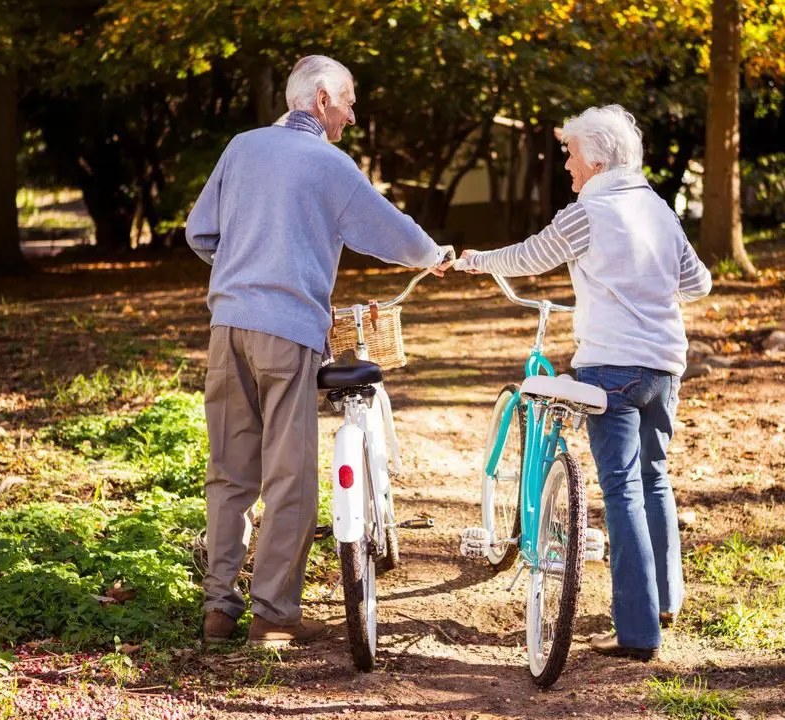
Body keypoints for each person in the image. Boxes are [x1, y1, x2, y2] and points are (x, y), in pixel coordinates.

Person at [186, 55, 451, 647]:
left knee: (229, 471)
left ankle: (218, 607)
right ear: (323, 98)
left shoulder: (240, 148)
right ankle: (273, 615)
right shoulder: (329, 165)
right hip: (288, 333)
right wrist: (432, 254)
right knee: (289, 477)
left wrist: (242, 269)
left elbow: (200, 234)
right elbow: (389, 230)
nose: (352, 116)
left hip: (227, 327)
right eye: (349, 102)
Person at [459, 105, 712, 660]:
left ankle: (639, 634)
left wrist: (477, 260)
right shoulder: (659, 210)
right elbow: (698, 282)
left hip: (611, 367)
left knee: (621, 490)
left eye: (571, 154)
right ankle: (665, 599)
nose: (566, 165)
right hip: (665, 365)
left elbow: (531, 255)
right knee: (655, 478)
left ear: (596, 159)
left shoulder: (588, 212)